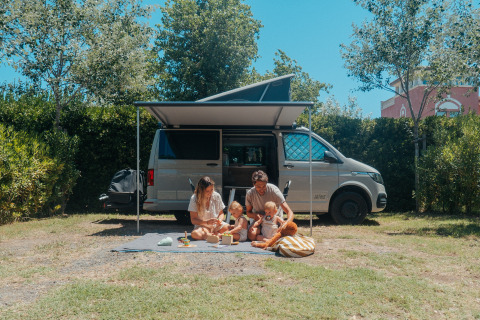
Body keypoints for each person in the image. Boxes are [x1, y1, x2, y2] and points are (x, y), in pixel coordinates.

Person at [246, 170, 294, 241]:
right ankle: (267, 238)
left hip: (275, 223)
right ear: (254, 184)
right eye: (258, 187)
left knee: (286, 234)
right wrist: (254, 215)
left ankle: (267, 238)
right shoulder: (250, 193)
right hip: (261, 221)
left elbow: (290, 212)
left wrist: (285, 223)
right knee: (251, 235)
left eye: (264, 186)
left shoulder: (274, 190)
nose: (262, 189)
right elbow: (248, 213)